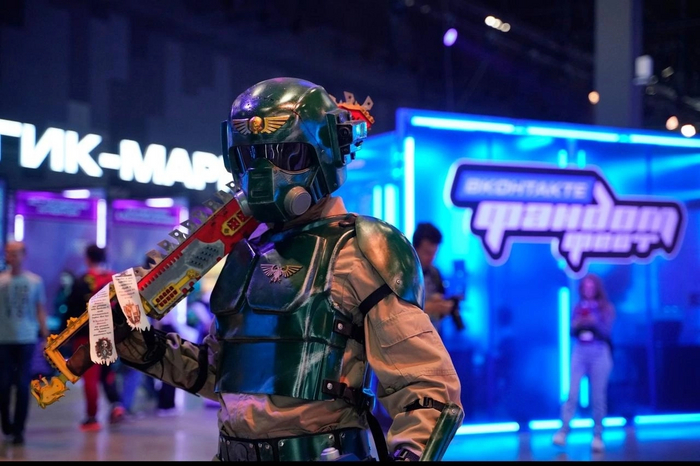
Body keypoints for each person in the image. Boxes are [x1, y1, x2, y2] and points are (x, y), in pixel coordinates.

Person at [110, 77, 463, 461]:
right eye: (251, 157)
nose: (265, 175)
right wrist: (138, 344)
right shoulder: (246, 255)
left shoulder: (362, 248)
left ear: (325, 154)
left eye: (287, 155)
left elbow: (427, 389)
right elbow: (221, 375)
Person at [553, 273, 615, 453]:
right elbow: (571, 331)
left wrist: (594, 322)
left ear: (597, 289)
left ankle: (598, 435)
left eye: (591, 287)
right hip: (580, 351)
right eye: (585, 287)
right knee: (572, 393)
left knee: (598, 397)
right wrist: (579, 323)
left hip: (599, 352)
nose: (588, 290)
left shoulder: (606, 308)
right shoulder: (578, 307)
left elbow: (607, 331)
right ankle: (563, 431)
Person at [65, 244, 125, 431]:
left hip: (86, 336)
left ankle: (92, 418)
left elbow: (72, 309)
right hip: (108, 334)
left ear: (87, 258)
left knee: (90, 377)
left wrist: (66, 334)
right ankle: (116, 406)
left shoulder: (82, 280)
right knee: (107, 374)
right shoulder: (114, 278)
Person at [0, 241, 48, 446]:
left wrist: (45, 337)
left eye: (15, 253)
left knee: (22, 385)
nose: (11, 257)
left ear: (23, 255)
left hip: (26, 338)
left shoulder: (34, 282)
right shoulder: (1, 281)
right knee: (3, 385)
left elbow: (40, 309)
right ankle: (6, 424)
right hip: (4, 339)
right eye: (8, 253)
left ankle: (19, 429)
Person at [412, 222, 455, 326]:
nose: (431, 258)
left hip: (434, 331)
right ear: (414, 248)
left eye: (434, 253)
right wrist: (430, 307)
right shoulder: (402, 274)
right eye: (427, 253)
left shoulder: (435, 273)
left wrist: (443, 306)